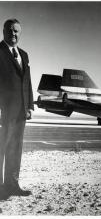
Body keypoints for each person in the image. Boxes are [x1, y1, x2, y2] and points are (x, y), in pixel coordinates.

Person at [0, 18, 34, 200]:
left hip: (20, 111)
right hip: (3, 111)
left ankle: (12, 185)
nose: (13, 34)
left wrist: (30, 106)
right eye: (10, 30)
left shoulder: (24, 55)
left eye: (16, 31)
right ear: (3, 31)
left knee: (15, 148)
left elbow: (27, 82)